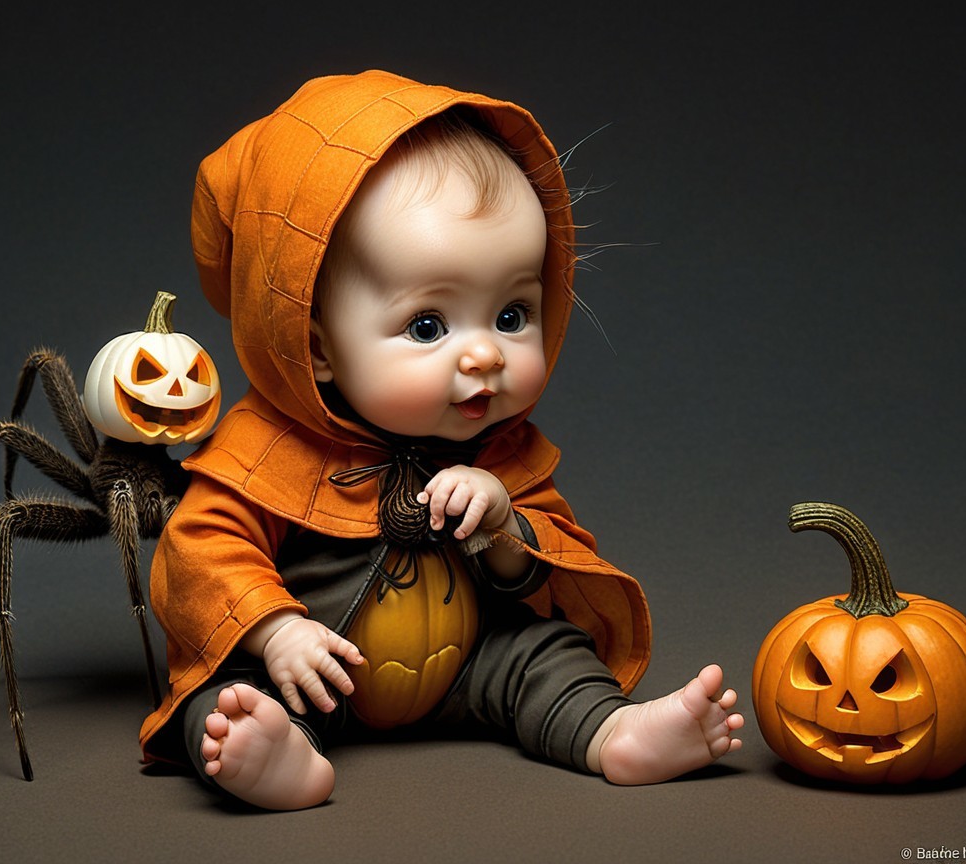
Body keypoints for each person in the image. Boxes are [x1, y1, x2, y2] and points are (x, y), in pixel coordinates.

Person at [140, 69, 743, 810]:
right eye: (428, 326)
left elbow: (544, 571)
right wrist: (274, 630)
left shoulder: (502, 454)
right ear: (315, 348)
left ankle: (610, 732)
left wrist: (501, 524)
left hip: (466, 664)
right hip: (317, 673)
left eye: (513, 314)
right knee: (230, 697)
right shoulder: (266, 451)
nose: (485, 355)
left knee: (544, 651)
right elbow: (198, 554)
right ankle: (282, 754)